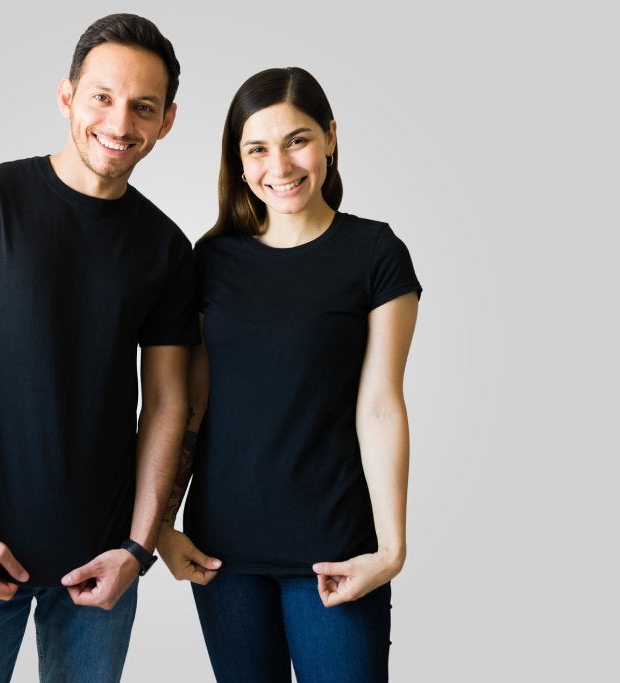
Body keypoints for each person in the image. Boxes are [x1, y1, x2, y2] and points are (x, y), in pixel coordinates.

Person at [0, 13, 198, 682]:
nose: (121, 122)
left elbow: (166, 403)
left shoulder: (166, 249)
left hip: (99, 566)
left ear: (166, 121)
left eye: (143, 107)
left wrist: (137, 548)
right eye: (102, 96)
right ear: (67, 96)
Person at [157, 66, 422, 682]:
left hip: (336, 550)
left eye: (297, 139)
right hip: (222, 554)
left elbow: (380, 405)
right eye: (258, 148)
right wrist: (162, 528)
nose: (280, 164)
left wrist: (390, 550)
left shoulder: (376, 254)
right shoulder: (210, 260)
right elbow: (191, 404)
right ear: (240, 161)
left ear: (330, 137)